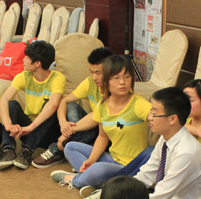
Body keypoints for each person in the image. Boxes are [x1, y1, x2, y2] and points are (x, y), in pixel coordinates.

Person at [52, 55, 152, 191]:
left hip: (131, 166)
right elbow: (102, 137)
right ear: (106, 81)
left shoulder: (138, 104)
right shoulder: (102, 106)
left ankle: (76, 180)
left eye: (127, 77)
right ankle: (97, 181)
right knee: (70, 147)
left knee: (98, 169)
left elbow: (155, 115)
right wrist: (91, 160)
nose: (122, 82)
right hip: (112, 159)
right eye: (116, 78)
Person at [131, 87, 201, 199]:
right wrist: (124, 194)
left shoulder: (187, 152)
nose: (150, 117)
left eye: (155, 113)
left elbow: (162, 194)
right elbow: (147, 174)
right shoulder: (165, 138)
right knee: (126, 196)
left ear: (172, 119)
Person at [32, 47, 113, 168]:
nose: (94, 77)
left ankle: (57, 150)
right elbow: (64, 101)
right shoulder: (90, 83)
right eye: (91, 72)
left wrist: (67, 133)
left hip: (107, 134)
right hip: (89, 128)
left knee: (93, 122)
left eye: (98, 73)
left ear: (110, 70)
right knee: (70, 106)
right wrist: (63, 124)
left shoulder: (115, 88)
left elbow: (96, 117)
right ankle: (75, 145)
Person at [0, 40, 65, 170]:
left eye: (27, 58)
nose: (23, 60)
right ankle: (8, 150)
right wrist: (8, 124)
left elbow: (53, 104)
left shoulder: (57, 78)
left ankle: (27, 150)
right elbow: (4, 99)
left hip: (47, 132)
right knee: (11, 104)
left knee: (50, 105)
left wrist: (31, 127)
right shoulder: (24, 76)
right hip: (27, 129)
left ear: (37, 63)